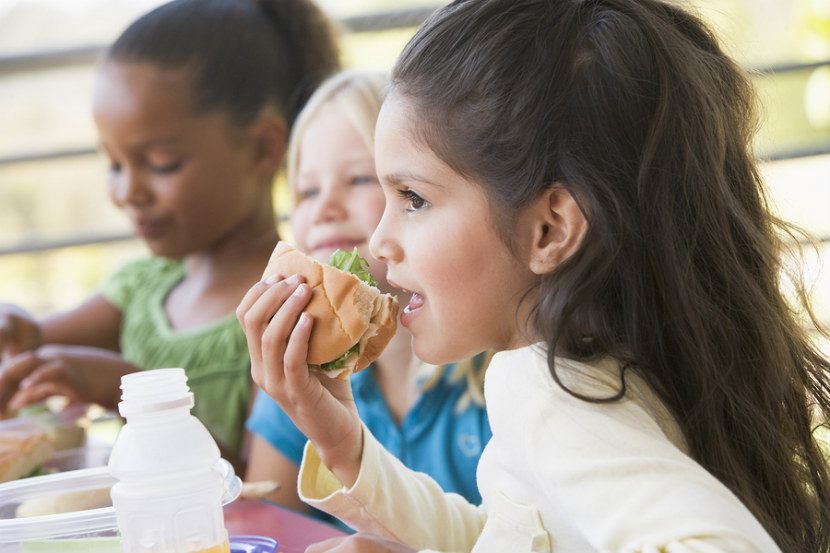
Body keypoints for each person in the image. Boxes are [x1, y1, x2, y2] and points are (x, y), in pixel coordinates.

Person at [236, 0, 830, 551]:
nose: (381, 240)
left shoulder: (543, 389)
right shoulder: (599, 365)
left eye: (413, 197)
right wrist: (342, 442)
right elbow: (509, 534)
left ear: (549, 230)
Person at [0, 0, 340, 472]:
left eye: (161, 164)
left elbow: (261, 489)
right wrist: (15, 330)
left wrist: (131, 389)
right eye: (115, 164)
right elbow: (31, 347)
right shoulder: (139, 288)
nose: (126, 191)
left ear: (264, 148)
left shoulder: (290, 310)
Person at [244, 69, 492, 516]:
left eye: (359, 179)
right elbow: (266, 523)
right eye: (307, 190)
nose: (323, 209)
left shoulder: (502, 369)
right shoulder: (299, 360)